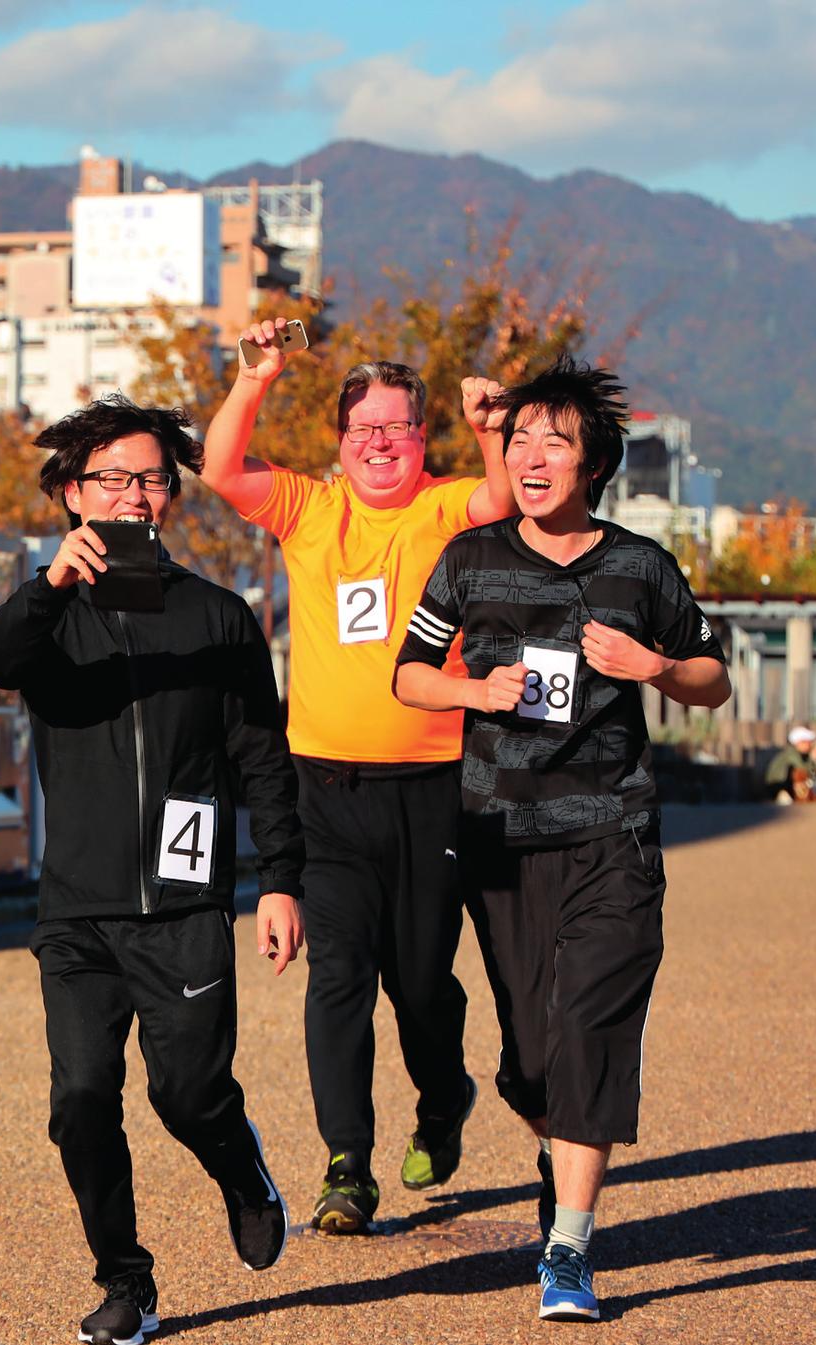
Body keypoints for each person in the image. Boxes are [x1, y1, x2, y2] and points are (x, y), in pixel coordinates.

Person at [394, 354, 731, 1321]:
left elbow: (713, 678)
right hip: (498, 836)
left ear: (594, 465)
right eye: (520, 438)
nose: (532, 455)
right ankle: (555, 1150)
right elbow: (409, 675)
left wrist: (655, 663)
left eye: (556, 441)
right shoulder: (470, 559)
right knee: (530, 1064)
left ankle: (571, 1252)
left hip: (612, 833)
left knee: (589, 1031)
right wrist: (473, 689)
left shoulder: (640, 566)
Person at [0, 393, 305, 1345]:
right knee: (80, 1098)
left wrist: (281, 875)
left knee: (188, 1093)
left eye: (151, 477)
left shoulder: (217, 616)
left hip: (185, 904)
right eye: (111, 477)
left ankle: (241, 1168)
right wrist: (52, 583)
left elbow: (262, 757)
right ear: (73, 492)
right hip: (76, 910)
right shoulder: (48, 616)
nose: (132, 494)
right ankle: (126, 1280)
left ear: (171, 495)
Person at [201, 318, 516, 1232]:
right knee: (337, 973)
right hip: (325, 788)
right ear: (341, 442)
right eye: (363, 429)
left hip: (433, 787)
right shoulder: (309, 507)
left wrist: (492, 425)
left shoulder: (445, 504)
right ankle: (347, 1162)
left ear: (425, 440)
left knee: (419, 980)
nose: (380, 444)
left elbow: (501, 498)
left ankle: (443, 1091)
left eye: (399, 428)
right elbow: (221, 468)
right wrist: (256, 376)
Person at [765, 726, 816, 802]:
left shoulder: (800, 754)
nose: (810, 744)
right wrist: (813, 758)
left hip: (790, 788)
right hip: (780, 790)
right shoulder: (790, 754)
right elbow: (803, 771)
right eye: (807, 741)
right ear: (799, 742)